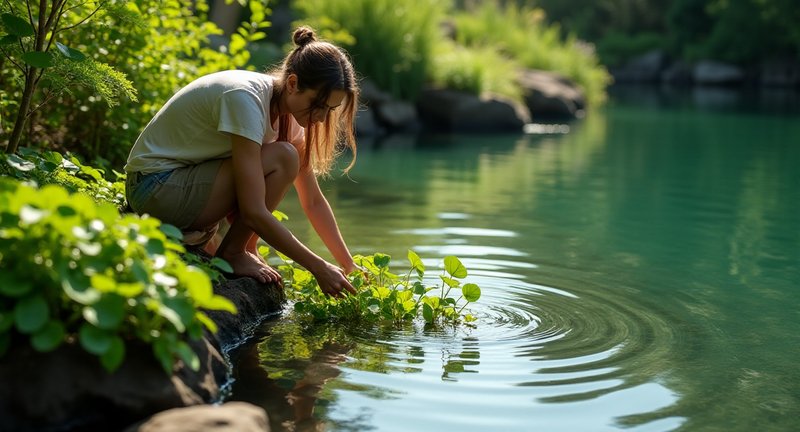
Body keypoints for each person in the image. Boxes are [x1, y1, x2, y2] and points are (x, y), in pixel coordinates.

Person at [124, 26, 358, 297]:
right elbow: (253, 211)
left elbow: (313, 201)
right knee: (284, 158)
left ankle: (242, 248)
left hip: (183, 186)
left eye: (330, 110)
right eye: (317, 105)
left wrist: (347, 263)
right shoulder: (245, 98)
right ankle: (234, 252)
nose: (320, 118)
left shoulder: (290, 118)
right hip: (153, 187)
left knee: (286, 156)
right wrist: (318, 267)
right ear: (292, 84)